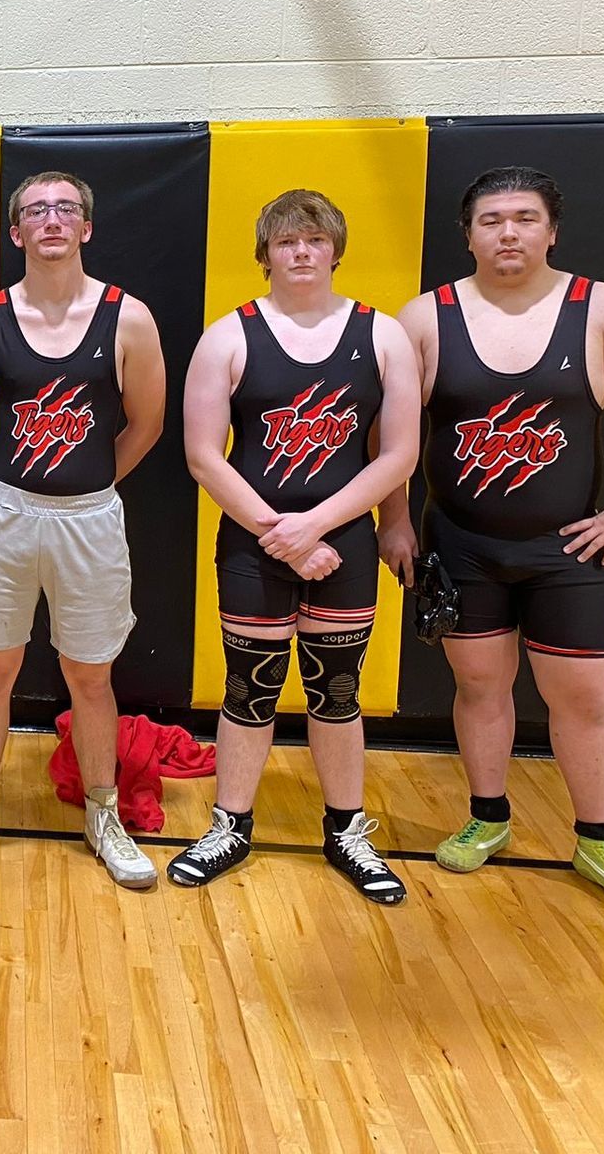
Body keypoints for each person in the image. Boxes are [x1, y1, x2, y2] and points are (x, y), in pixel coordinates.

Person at [380, 166, 604, 919]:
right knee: (480, 687)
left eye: (524, 218)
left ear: (552, 231)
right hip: (461, 545)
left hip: (566, 552)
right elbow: (391, 432)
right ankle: (488, 816)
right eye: (491, 220)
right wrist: (394, 520)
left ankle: (598, 839)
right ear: (468, 235)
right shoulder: (426, 317)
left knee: (581, 699)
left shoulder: (600, 309)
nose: (508, 233)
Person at [167, 190, 417, 903]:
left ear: (335, 251)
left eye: (314, 240)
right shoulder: (229, 337)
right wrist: (285, 537)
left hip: (343, 541)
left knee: (337, 692)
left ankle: (346, 831)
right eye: (286, 241)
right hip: (254, 543)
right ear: (265, 255)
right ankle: (230, 826)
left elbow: (398, 454)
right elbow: (203, 456)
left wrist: (313, 528)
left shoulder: (383, 336)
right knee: (249, 689)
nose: (301, 252)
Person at [0, 171, 166, 887]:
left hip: (89, 518)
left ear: (87, 227)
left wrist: (89, 483)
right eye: (37, 211)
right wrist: (21, 482)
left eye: (67, 209)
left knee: (90, 676)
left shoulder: (129, 319)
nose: (53, 219)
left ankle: (103, 811)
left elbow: (147, 424)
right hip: (6, 515)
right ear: (17, 232)